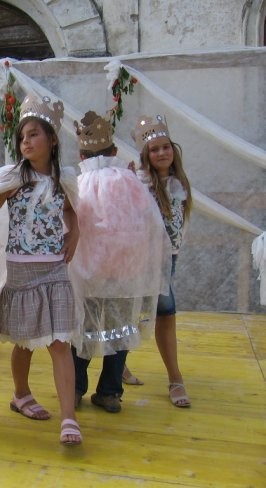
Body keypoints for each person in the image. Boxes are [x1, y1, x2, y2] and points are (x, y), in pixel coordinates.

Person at [0, 95, 82, 446]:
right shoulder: (13, 178)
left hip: (54, 269)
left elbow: (72, 209)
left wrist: (76, 231)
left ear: (53, 140)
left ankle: (69, 418)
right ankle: (21, 393)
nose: (26, 141)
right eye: (22, 136)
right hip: (21, 270)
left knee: (59, 341)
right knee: (25, 339)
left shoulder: (63, 179)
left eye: (34, 134)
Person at [69, 111, 171, 413]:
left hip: (88, 274)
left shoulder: (80, 183)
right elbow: (149, 223)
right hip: (124, 274)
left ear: (80, 153)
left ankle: (75, 388)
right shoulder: (130, 182)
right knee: (120, 329)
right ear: (114, 151)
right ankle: (110, 391)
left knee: (83, 330)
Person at [130, 114, 193, 408]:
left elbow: (179, 222)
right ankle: (172, 377)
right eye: (154, 150)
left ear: (173, 149)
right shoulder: (141, 182)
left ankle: (171, 375)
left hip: (169, 258)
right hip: (145, 259)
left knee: (159, 314)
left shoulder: (179, 183)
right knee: (148, 311)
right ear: (146, 155)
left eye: (165, 147)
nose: (161, 153)